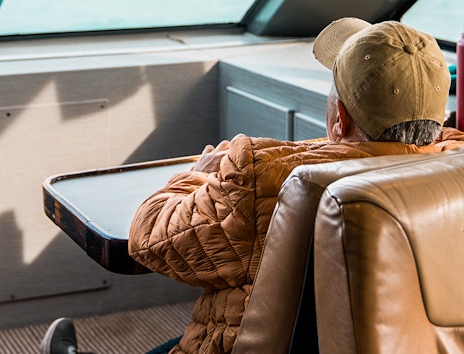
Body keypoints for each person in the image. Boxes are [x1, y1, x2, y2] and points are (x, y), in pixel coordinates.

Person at [40, 18, 464, 354]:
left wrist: (202, 173)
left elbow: (148, 235)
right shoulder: (451, 170)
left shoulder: (266, 182)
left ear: (341, 119)